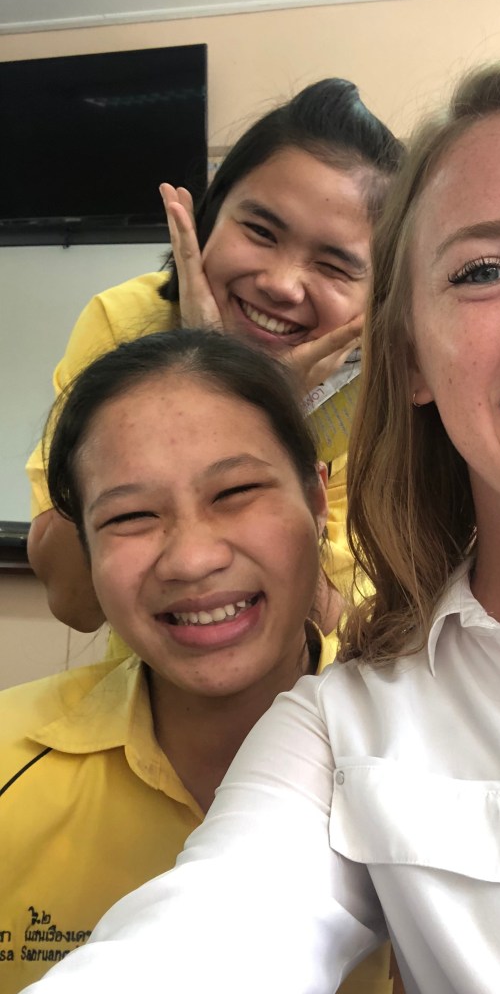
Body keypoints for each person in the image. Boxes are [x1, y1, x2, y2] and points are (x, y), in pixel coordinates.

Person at [10, 58, 500, 994]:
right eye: (483, 269)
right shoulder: (345, 727)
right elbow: (210, 935)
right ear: (406, 354)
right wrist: (215, 374)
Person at [0, 329, 393, 994]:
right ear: (86, 548)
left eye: (235, 491)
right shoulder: (11, 758)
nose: (191, 559)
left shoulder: (426, 752)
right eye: (130, 515)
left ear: (314, 499)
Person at [25, 77, 403, 638]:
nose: (281, 284)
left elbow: (345, 635)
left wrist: (259, 406)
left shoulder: (385, 400)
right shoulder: (127, 323)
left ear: (381, 294)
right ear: (209, 218)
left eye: (333, 266)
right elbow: (74, 601)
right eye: (260, 230)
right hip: (151, 681)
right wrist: (201, 365)